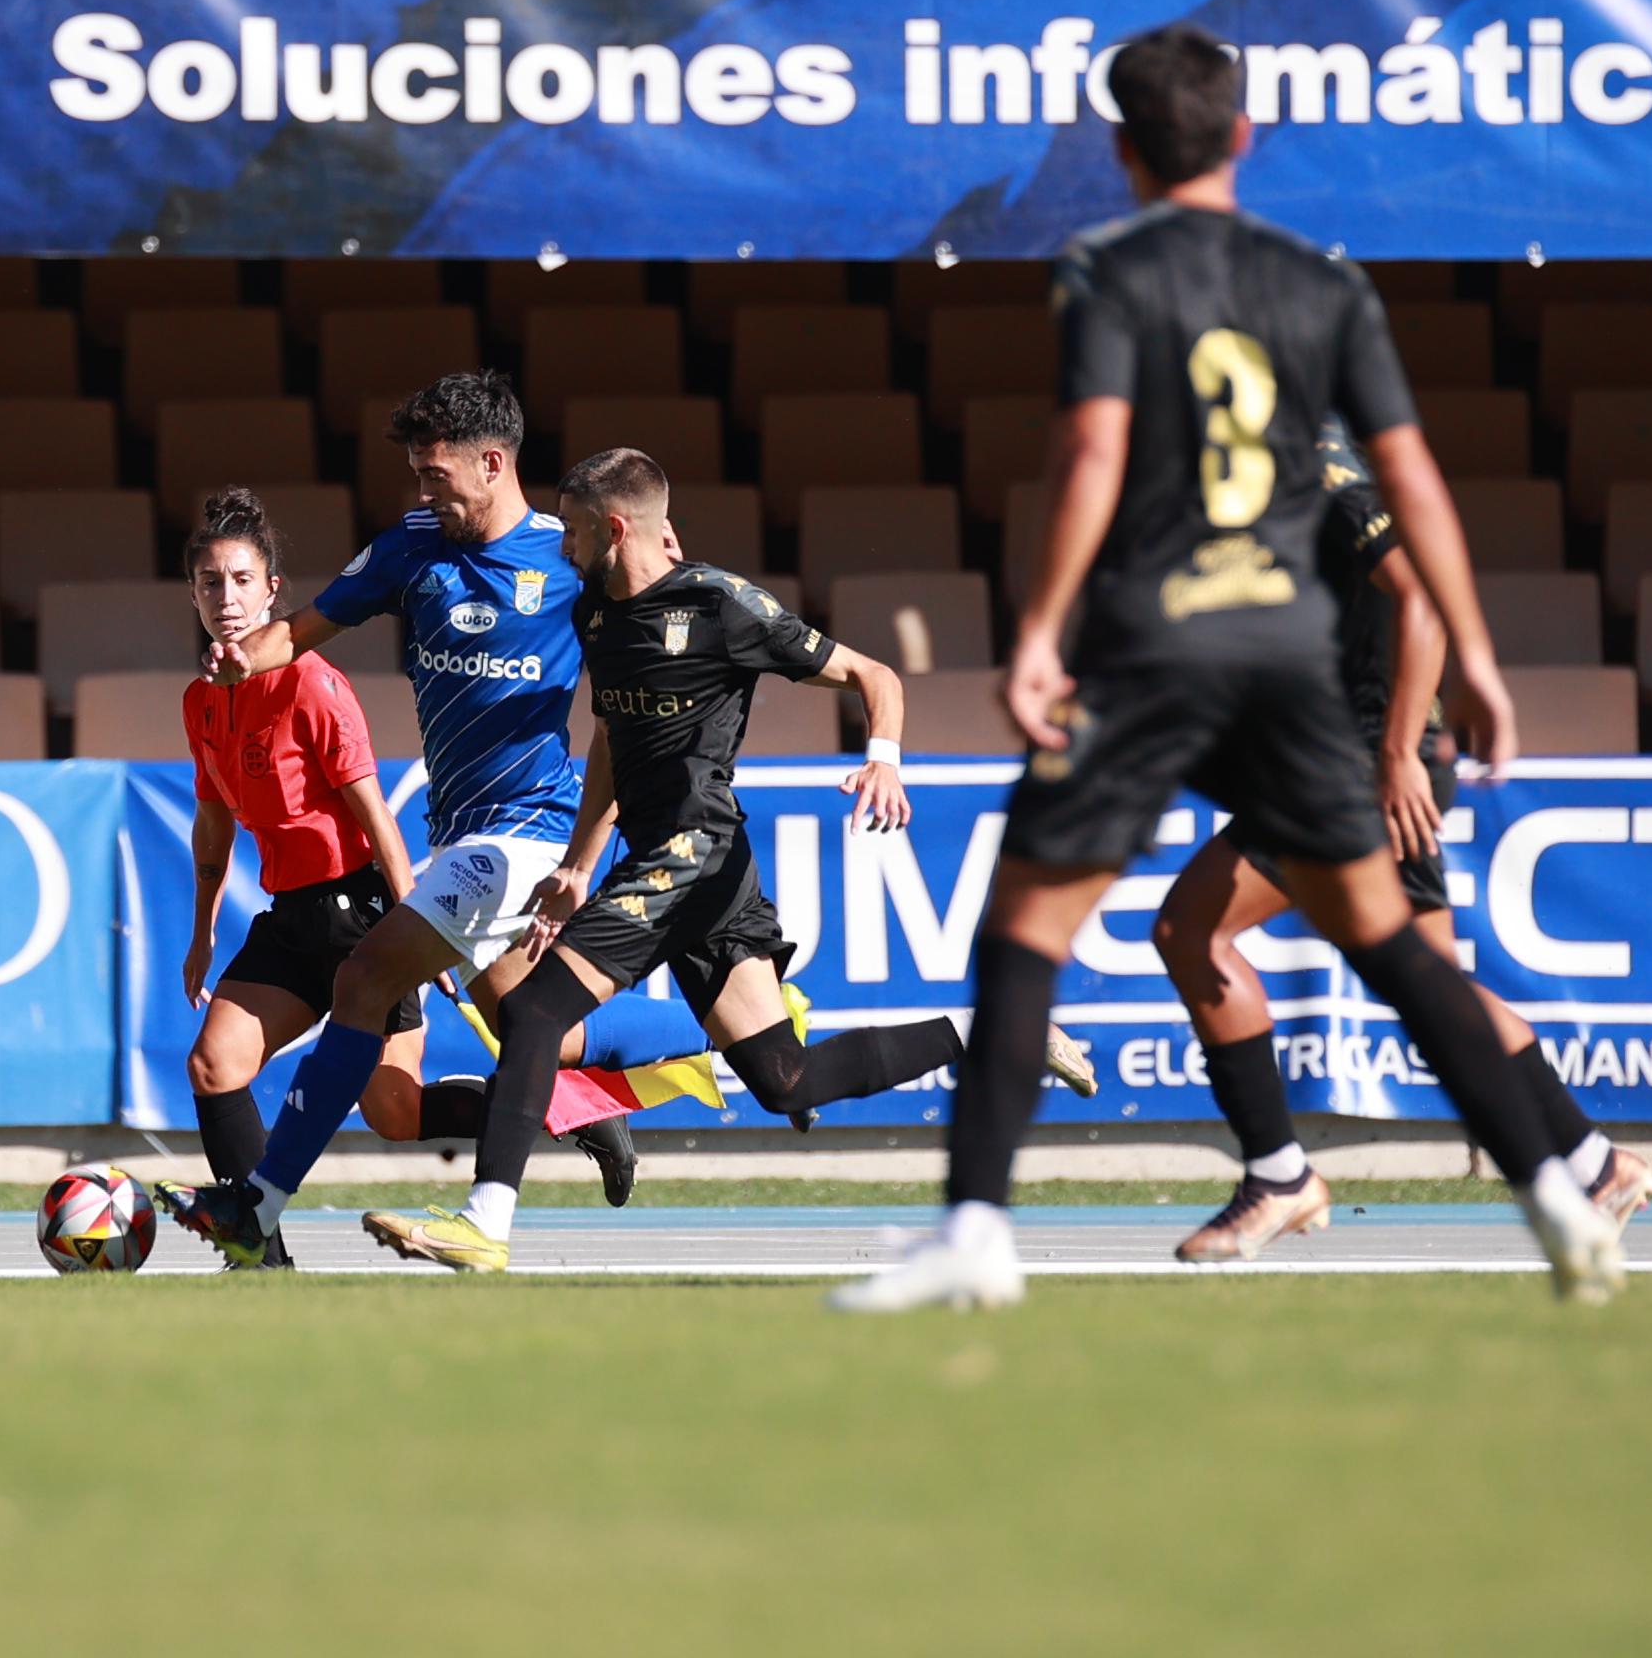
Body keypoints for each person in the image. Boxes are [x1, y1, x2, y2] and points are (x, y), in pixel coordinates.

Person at [830, 21, 1629, 1315]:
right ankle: (1558, 1193)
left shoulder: (1105, 268)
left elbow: (1094, 455)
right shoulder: (1326, 285)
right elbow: (1415, 475)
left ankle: (975, 1228)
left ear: (1122, 150)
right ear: (1244, 134)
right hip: (1288, 662)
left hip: (1156, 649)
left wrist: (1039, 633)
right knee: (1393, 946)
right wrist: (1478, 657)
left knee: (1027, 927)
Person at [362, 448, 1099, 1272]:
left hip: (695, 854)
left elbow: (874, 673)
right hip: (685, 865)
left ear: (614, 528)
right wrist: (578, 863)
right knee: (785, 1080)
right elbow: (609, 738)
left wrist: (884, 758)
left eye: (572, 530)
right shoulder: (596, 614)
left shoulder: (722, 605)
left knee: (534, 1011)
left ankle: (484, 1225)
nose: (562, 546)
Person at [154, 372, 725, 1268]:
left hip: (527, 831)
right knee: (537, 1025)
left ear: (492, 464)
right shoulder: (412, 546)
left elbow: (649, 656)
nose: (423, 492)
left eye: (436, 474)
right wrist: (241, 659)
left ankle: (256, 1212)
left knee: (365, 981)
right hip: (461, 836)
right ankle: (729, 1026)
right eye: (418, 474)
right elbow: (298, 630)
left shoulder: (567, 557)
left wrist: (600, 836)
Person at [1151, 421, 1652, 1263]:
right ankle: (1595, 1164)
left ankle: (1278, 1175)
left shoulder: (1317, 467)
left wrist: (1395, 754)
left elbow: (1419, 595)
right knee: (1435, 991)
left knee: (1191, 930)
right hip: (1369, 758)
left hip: (1359, 768)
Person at [173, 489, 633, 1267]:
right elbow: (213, 823)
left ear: (272, 590)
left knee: (394, 1112)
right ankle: (261, 1259)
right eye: (210, 582)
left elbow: (378, 818)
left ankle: (569, 1106)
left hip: (359, 908)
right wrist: (202, 929)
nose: (227, 598)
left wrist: (415, 917)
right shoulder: (200, 702)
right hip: (291, 919)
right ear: (192, 594)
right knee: (213, 1065)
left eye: (242, 580)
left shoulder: (311, 682)